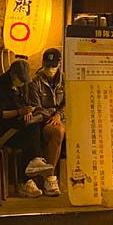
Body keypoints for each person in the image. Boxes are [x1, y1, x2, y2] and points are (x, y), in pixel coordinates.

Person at [0, 60, 53, 197]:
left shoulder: (21, 86)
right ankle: (26, 179)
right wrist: (19, 112)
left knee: (36, 124)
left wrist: (28, 112)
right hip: (1, 131)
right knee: (30, 135)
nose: (22, 83)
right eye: (21, 80)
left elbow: (24, 104)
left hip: (17, 126)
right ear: (13, 74)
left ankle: (31, 173)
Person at [29, 48, 66, 196]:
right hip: (44, 121)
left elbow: (68, 102)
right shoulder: (35, 82)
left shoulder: (65, 80)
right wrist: (53, 114)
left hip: (62, 119)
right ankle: (50, 178)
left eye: (53, 66)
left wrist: (59, 115)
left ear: (59, 64)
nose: (50, 69)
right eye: (47, 65)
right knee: (58, 131)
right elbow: (36, 107)